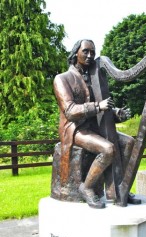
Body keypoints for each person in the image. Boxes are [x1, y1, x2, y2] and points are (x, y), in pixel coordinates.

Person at [53, 39, 139, 208]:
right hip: (75, 129)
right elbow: (70, 111)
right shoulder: (62, 78)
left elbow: (99, 107)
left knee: (129, 142)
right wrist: (98, 106)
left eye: (93, 52)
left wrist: (114, 113)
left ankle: (116, 189)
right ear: (75, 53)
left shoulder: (92, 77)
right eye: (85, 51)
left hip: (94, 127)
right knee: (108, 149)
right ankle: (86, 188)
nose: (90, 55)